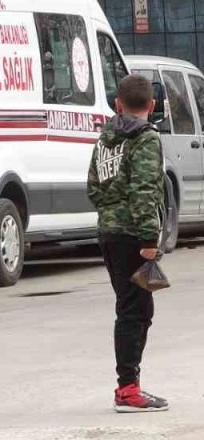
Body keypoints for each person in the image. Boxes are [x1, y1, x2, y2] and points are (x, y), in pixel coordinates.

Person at [86, 74, 168, 413]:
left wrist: (111, 212)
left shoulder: (105, 139)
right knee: (135, 311)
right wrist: (150, 238)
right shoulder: (146, 139)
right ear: (151, 106)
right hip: (134, 235)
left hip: (109, 233)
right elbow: (146, 189)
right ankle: (128, 390)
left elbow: (92, 187)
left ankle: (130, 385)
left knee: (135, 308)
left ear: (118, 104)